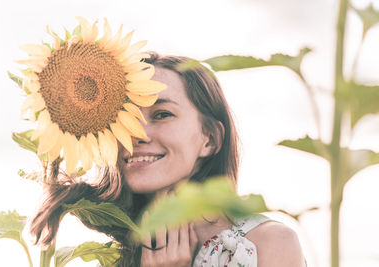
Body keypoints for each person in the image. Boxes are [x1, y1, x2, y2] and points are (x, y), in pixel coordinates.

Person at [30, 53, 306, 267]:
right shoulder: (106, 253)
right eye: (124, 120)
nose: (135, 135)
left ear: (209, 139)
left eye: (162, 114)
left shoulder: (267, 244)